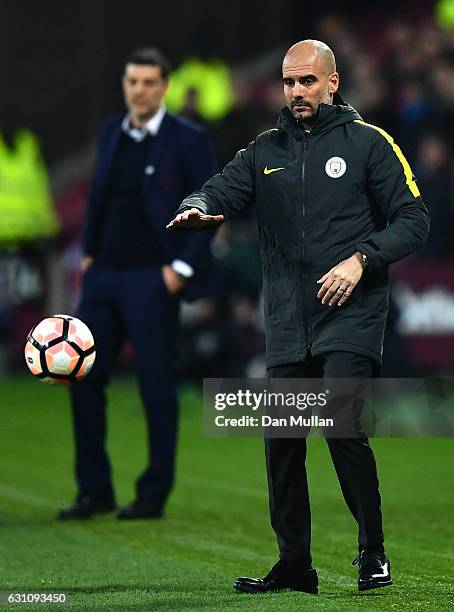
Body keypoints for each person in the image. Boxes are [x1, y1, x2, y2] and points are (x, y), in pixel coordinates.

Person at [167, 40, 430, 593]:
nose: (296, 92)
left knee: (339, 422)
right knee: (281, 438)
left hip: (350, 312)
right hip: (289, 315)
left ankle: (372, 552)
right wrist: (197, 206)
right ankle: (294, 565)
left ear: (332, 83)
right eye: (288, 82)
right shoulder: (265, 150)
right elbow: (222, 188)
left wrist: (362, 259)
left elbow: (413, 219)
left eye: (307, 82)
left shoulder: (369, 144)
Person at [59, 47, 218, 521]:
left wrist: (181, 270)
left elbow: (209, 203)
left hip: (154, 276)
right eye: (133, 82)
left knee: (155, 386)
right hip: (104, 274)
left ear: (165, 85)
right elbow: (99, 199)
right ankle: (94, 490)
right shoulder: (112, 131)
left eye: (149, 82)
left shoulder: (188, 138)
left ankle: (153, 493)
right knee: (82, 379)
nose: (140, 90)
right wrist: (88, 254)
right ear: (125, 85)